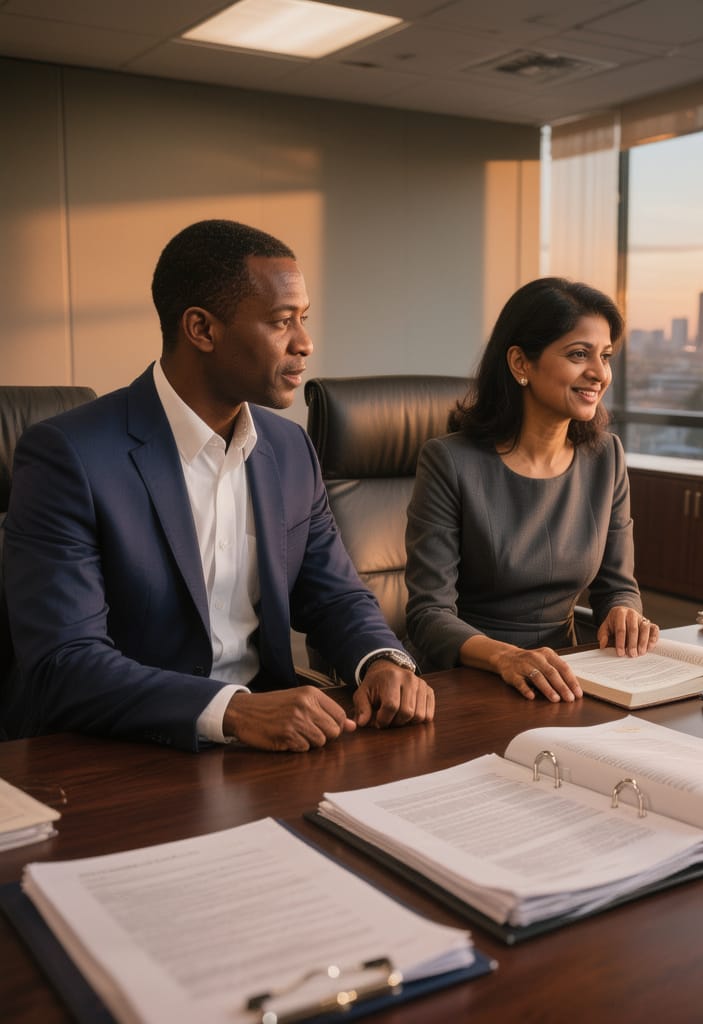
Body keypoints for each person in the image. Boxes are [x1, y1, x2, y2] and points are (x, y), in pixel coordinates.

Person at [1, 219, 434, 752]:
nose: (305, 342)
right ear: (202, 330)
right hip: (119, 750)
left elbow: (334, 595)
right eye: (281, 322)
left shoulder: (290, 449)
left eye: (304, 318)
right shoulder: (69, 456)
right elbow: (64, 662)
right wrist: (232, 711)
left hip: (269, 745)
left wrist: (382, 658)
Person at [404, 277, 657, 703]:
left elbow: (617, 584)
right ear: (521, 363)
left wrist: (623, 611)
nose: (599, 373)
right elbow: (428, 615)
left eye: (606, 356)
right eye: (579, 354)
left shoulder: (606, 457)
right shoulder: (449, 461)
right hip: (469, 678)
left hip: (567, 677)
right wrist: (507, 657)